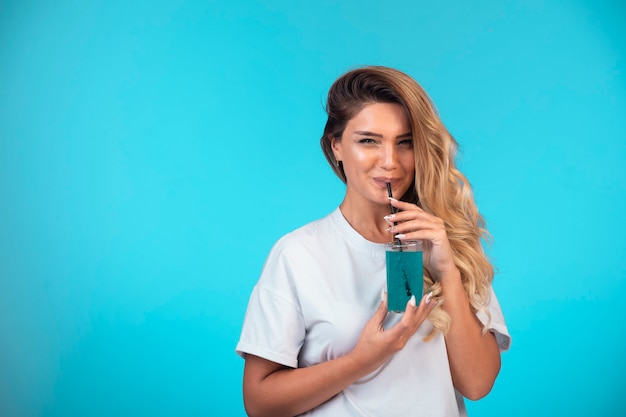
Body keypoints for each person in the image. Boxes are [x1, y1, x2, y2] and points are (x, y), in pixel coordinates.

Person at [236, 65, 511, 417]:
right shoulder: (298, 254)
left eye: (405, 142)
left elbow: (477, 384)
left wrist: (447, 271)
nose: (390, 162)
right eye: (368, 141)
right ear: (336, 146)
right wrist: (363, 360)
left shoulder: (447, 242)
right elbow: (260, 403)